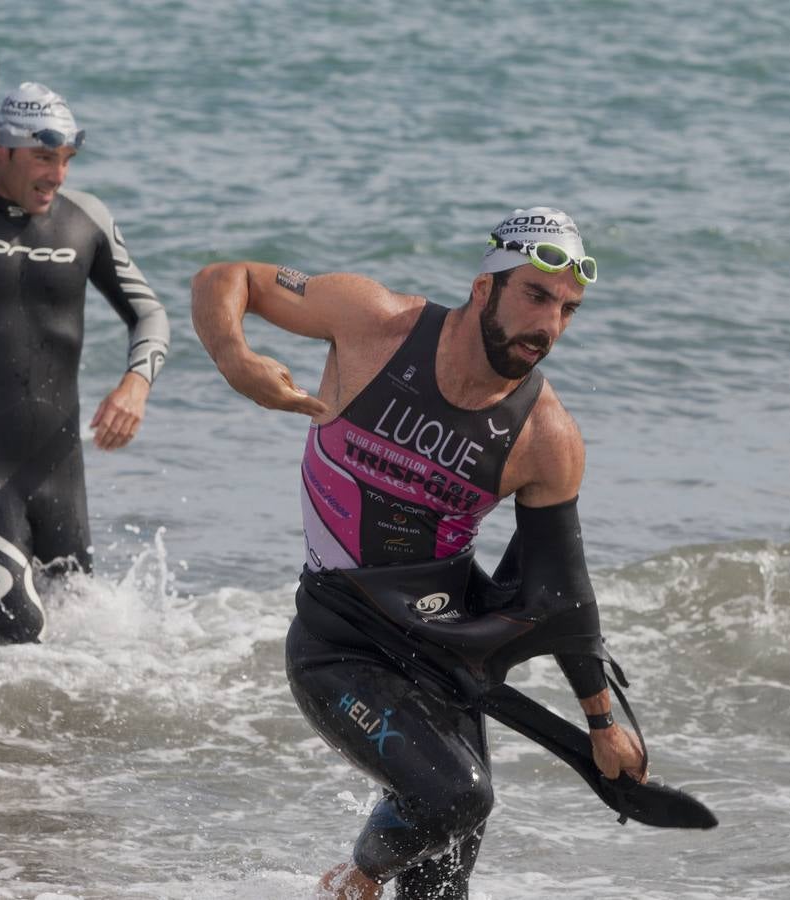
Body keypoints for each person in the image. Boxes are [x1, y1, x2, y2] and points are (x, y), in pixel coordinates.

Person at [190, 207, 647, 898]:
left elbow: (563, 590)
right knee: (458, 797)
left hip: (443, 658)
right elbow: (226, 279)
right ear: (485, 286)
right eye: (535, 295)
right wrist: (235, 357)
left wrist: (602, 722)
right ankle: (348, 883)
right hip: (336, 640)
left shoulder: (546, 437)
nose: (549, 326)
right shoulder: (375, 323)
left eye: (567, 309)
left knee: (443, 876)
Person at [0, 82, 170, 643]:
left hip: (59, 467)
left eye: (67, 159)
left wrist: (135, 385)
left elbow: (150, 315)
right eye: (44, 157)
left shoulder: (85, 220)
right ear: (0, 150)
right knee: (18, 629)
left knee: (77, 630)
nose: (58, 175)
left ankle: (42, 735)